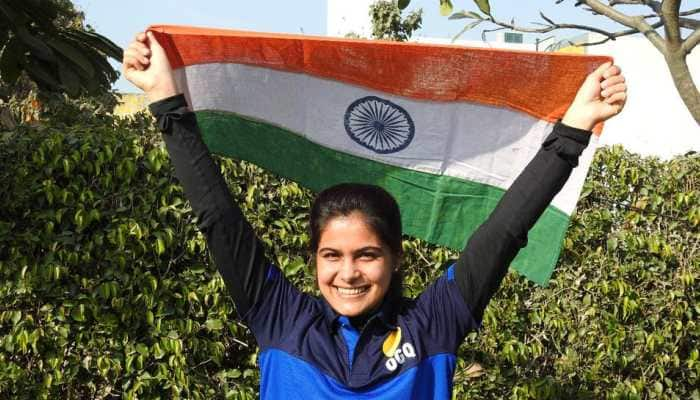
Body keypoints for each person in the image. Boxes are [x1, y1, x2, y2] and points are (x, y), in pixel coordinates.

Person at [123, 30, 627, 399]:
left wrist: (574, 129)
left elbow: (504, 232)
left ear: (395, 258)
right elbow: (219, 219)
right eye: (332, 255)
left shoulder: (433, 325)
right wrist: (165, 101)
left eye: (366, 254)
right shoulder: (280, 318)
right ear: (315, 259)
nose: (348, 273)